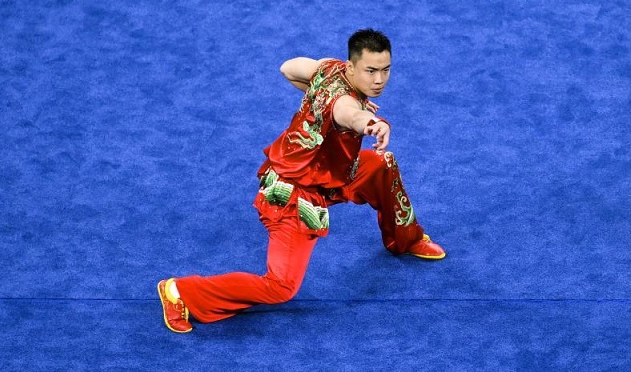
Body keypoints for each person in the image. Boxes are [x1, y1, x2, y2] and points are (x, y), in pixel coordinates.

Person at [158, 29, 446, 333]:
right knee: (281, 286)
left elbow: (288, 68)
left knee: (380, 165)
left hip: (330, 172)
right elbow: (349, 115)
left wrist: (318, 92)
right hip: (295, 193)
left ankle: (406, 238)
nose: (379, 80)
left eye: (385, 70)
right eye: (370, 71)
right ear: (351, 67)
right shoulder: (344, 105)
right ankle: (181, 292)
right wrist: (371, 121)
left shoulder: (328, 68)